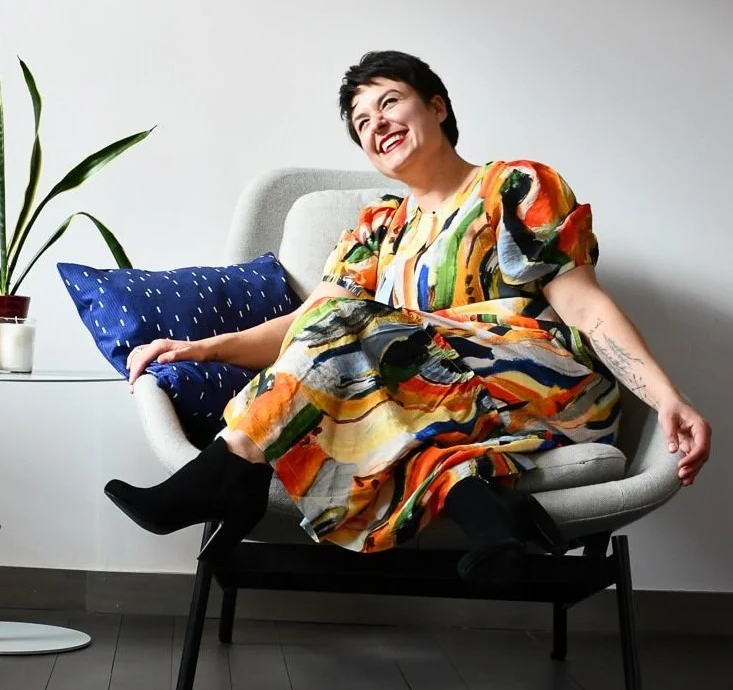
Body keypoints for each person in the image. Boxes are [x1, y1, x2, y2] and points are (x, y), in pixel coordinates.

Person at [105, 50, 712, 584]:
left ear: (437, 107)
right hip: (432, 406)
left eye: (390, 102)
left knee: (361, 335)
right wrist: (203, 348)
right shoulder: (378, 227)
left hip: (542, 388)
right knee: (374, 391)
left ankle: (227, 470)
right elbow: (308, 325)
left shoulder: (514, 186)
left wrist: (666, 397)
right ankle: (492, 520)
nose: (376, 125)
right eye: (361, 123)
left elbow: (583, 302)